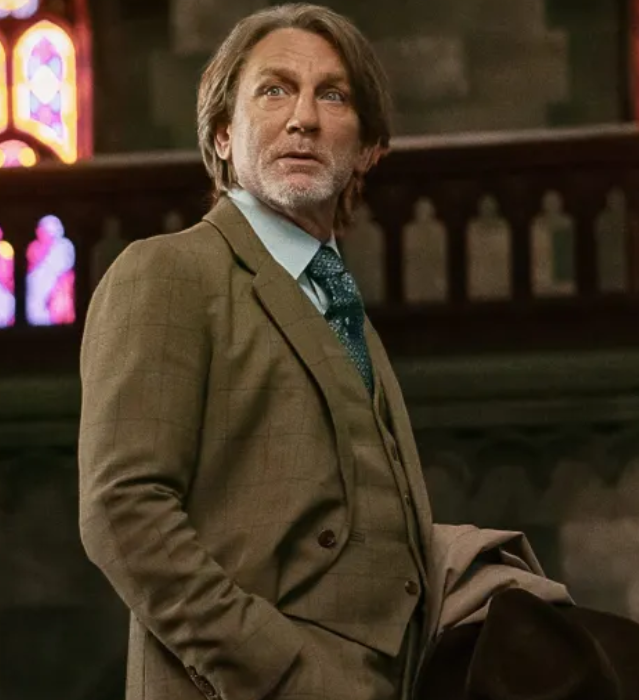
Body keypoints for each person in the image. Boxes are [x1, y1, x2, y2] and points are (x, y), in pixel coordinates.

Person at [78, 5, 576, 700]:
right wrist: (285, 673)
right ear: (222, 135)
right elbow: (122, 511)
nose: (304, 118)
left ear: (369, 148)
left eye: (333, 96)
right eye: (273, 90)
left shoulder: (341, 305)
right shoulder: (168, 271)